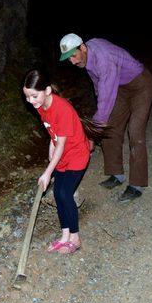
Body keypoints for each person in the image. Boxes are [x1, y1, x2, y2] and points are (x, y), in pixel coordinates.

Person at [59, 33, 152, 202]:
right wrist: (99, 122)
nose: (72, 62)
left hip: (140, 85)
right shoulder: (87, 58)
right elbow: (99, 86)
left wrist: (92, 132)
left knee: (135, 130)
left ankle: (137, 184)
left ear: (82, 48)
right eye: (68, 59)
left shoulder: (103, 58)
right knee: (110, 127)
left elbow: (106, 97)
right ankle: (116, 174)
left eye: (73, 56)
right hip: (120, 88)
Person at [22, 69, 93, 254]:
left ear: (46, 90)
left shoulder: (62, 109)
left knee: (64, 193)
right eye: (27, 96)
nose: (30, 101)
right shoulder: (40, 107)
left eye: (34, 96)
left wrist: (47, 172)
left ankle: (75, 239)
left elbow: (61, 145)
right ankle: (64, 236)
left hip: (77, 154)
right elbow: (53, 134)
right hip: (62, 155)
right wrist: (50, 149)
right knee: (57, 194)